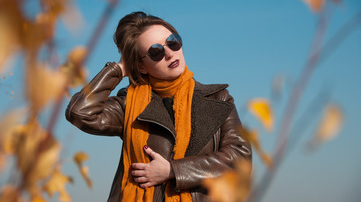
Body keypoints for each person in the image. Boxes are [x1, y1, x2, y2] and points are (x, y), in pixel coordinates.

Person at [65, 11, 252, 202]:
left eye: (173, 42)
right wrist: (118, 69)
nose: (170, 53)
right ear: (141, 66)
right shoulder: (129, 104)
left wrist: (172, 170)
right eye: (156, 52)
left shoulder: (218, 99)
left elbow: (239, 158)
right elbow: (80, 113)